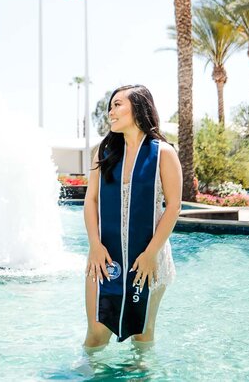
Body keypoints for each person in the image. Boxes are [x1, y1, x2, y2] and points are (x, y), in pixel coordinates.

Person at [82, 85, 182, 354]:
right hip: (104, 255)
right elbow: (90, 201)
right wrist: (94, 245)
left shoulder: (162, 153)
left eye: (117, 105)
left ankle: (141, 374)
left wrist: (151, 254)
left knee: (142, 332)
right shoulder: (104, 153)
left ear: (138, 108)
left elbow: (174, 206)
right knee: (96, 331)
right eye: (110, 107)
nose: (111, 112)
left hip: (149, 256)